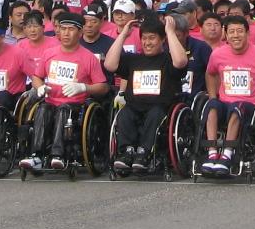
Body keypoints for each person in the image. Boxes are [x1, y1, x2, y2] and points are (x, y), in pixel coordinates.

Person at [200, 14, 255, 176]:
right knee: (211, 105)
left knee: (237, 107)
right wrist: (213, 95)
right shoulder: (218, 54)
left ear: (247, 34)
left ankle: (227, 155)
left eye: (240, 31)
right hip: (224, 103)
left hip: (252, 108)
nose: (235, 35)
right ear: (226, 34)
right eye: (231, 31)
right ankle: (212, 153)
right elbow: (210, 74)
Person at [23, 11, 109, 172]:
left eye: (71, 29)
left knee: (64, 110)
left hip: (75, 105)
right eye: (63, 29)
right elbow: (36, 77)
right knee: (42, 109)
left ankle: (58, 154)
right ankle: (37, 155)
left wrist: (84, 87)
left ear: (80, 32)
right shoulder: (49, 54)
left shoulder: (88, 57)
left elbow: (103, 87)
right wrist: (39, 86)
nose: (66, 33)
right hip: (50, 100)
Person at [105, 14, 189, 176]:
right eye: (144, 38)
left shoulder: (168, 60)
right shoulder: (133, 59)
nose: (147, 42)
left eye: (152, 38)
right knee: (124, 114)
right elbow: (109, 64)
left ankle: (145, 152)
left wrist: (170, 32)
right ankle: (126, 152)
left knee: (155, 114)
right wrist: (123, 34)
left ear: (162, 39)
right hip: (134, 105)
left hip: (160, 107)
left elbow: (180, 62)